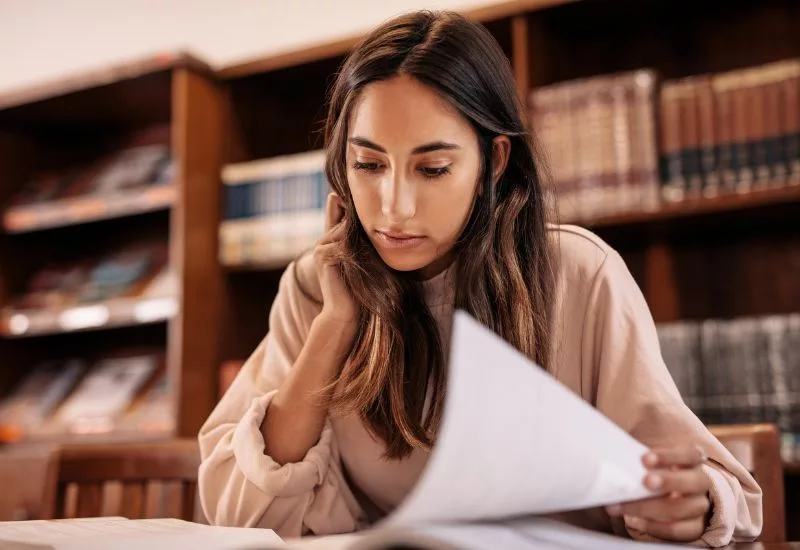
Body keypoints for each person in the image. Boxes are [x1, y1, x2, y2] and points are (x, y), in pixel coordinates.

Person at [198, 10, 762, 546]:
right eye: (368, 165)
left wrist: (689, 506)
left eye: (433, 169)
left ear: (493, 161)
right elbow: (242, 511)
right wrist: (336, 324)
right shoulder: (316, 286)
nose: (393, 208)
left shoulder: (579, 275)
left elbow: (711, 491)